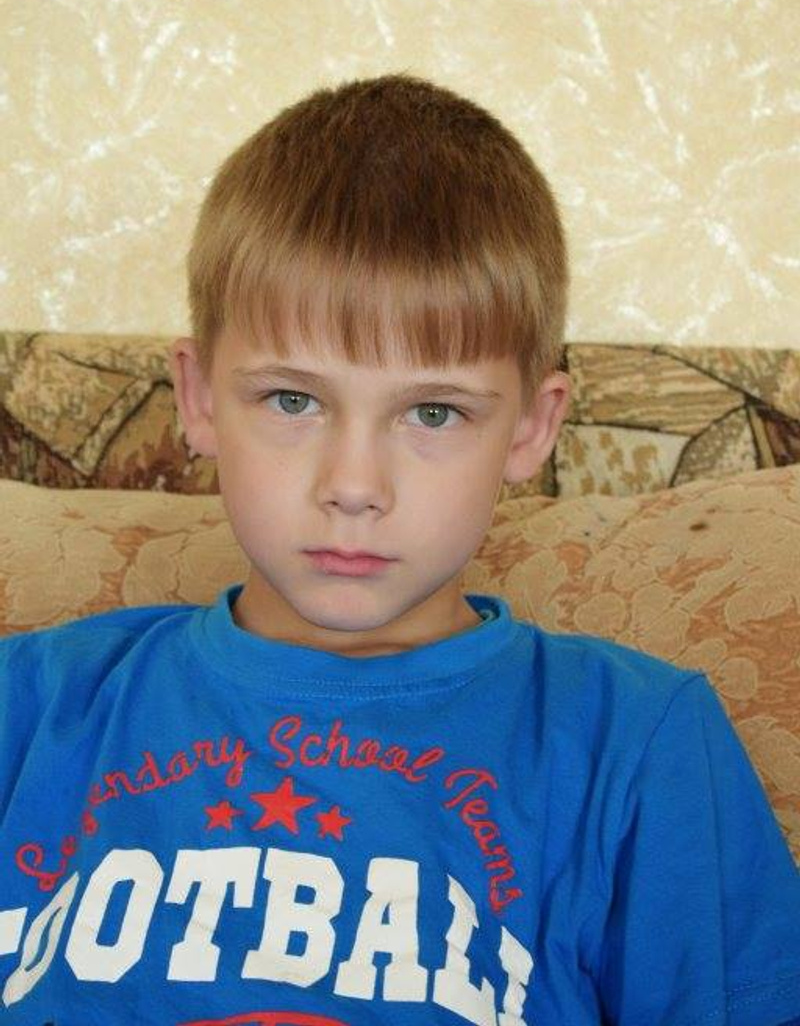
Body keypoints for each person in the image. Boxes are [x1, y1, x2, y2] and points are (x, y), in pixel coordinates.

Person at [1, 73, 799, 1026]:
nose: (354, 484)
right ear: (201, 398)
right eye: (293, 399)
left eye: (433, 413)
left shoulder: (634, 742)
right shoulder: (30, 709)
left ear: (531, 428)